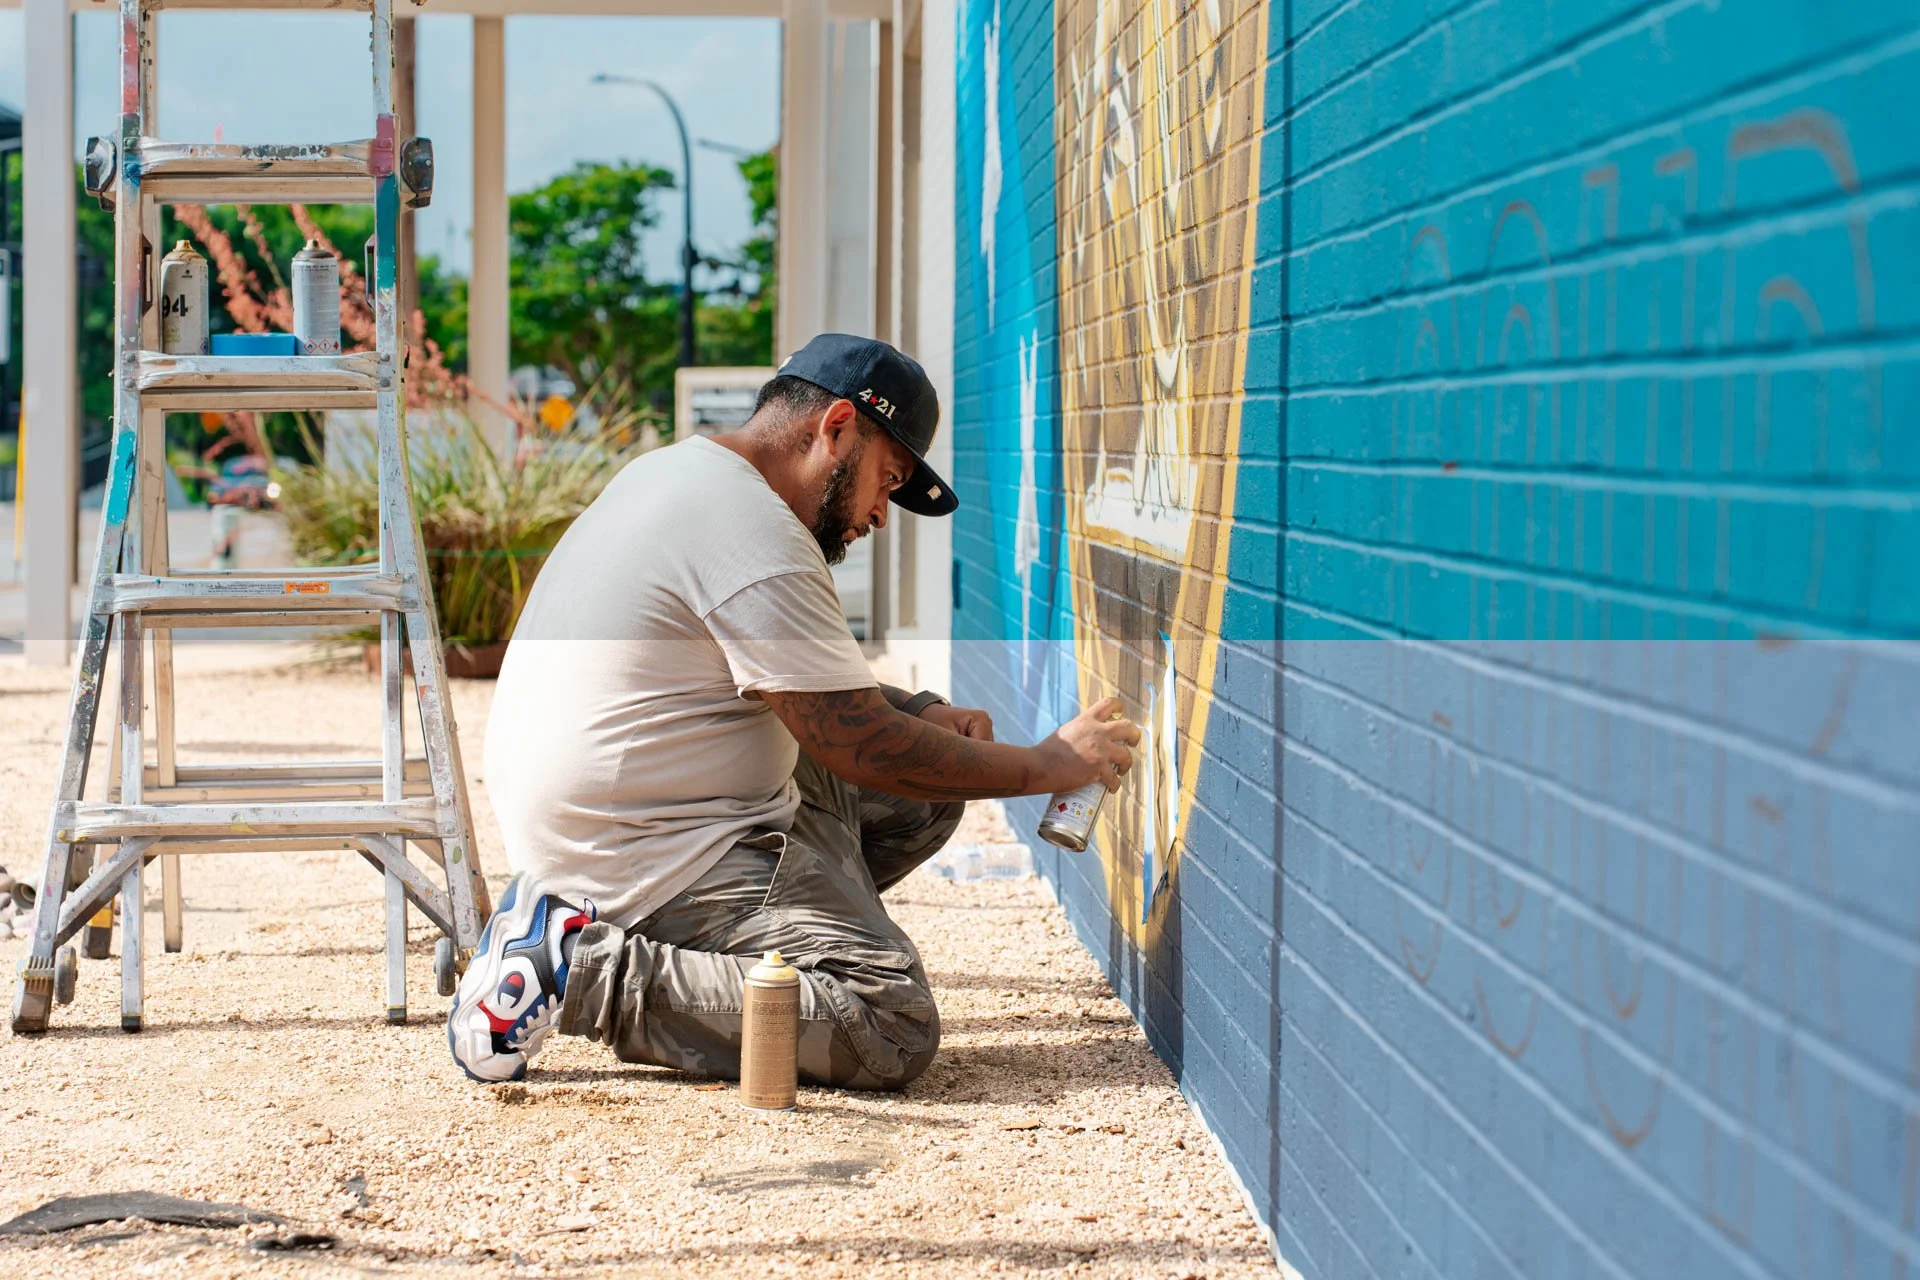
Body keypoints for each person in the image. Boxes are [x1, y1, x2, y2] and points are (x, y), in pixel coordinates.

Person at [448, 333, 1139, 1089]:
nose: (881, 515)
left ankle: (764, 957)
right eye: (887, 479)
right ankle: (575, 970)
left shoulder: (690, 476)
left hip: (635, 805)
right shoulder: (755, 535)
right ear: (836, 428)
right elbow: (860, 743)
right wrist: (1048, 767)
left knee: (929, 792)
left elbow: (812, 691)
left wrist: (915, 712)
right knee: (888, 1023)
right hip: (641, 852)